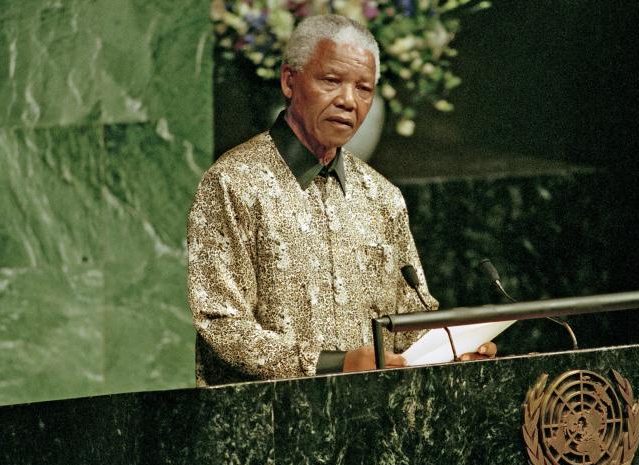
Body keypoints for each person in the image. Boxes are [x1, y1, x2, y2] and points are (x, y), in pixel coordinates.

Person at [187, 14, 495, 386]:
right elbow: (223, 326)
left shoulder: (382, 196)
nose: (349, 101)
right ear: (289, 80)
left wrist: (450, 350)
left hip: (370, 426)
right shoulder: (233, 183)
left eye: (364, 88)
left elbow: (411, 319)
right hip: (269, 425)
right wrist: (333, 364)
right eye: (331, 81)